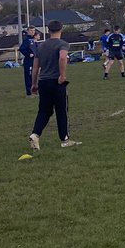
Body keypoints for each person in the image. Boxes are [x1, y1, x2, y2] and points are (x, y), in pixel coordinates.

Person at [28, 19, 79, 150]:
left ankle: (35, 134)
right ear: (61, 29)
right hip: (56, 81)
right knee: (62, 111)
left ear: (48, 30)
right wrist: (62, 75)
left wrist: (34, 84)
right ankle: (65, 139)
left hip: (43, 82)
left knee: (44, 111)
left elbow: (35, 68)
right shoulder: (62, 44)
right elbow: (62, 57)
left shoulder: (40, 46)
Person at [19, 27, 36, 96]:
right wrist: (28, 54)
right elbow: (21, 49)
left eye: (33, 30)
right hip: (29, 61)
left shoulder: (33, 39)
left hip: (34, 60)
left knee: (34, 76)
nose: (32, 32)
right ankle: (29, 93)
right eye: (31, 30)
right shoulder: (26, 40)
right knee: (29, 76)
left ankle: (34, 92)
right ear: (28, 31)